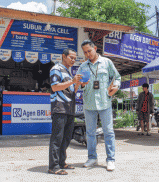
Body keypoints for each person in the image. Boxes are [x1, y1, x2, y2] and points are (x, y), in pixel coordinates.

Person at [77, 39, 121, 171]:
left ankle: (111, 160)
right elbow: (80, 86)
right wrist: (83, 85)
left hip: (105, 102)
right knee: (90, 133)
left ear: (95, 48)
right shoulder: (83, 67)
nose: (87, 54)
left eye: (89, 51)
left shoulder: (107, 63)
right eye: (85, 52)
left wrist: (116, 87)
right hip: (89, 104)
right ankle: (92, 158)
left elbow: (117, 77)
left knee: (108, 132)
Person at [48, 48, 83, 175]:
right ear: (64, 56)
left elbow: (71, 91)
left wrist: (77, 83)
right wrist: (73, 81)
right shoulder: (56, 69)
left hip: (69, 109)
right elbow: (54, 86)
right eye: (71, 58)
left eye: (75, 58)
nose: (73, 60)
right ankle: (53, 166)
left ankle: (62, 162)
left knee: (67, 138)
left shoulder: (68, 72)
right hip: (60, 107)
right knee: (57, 138)